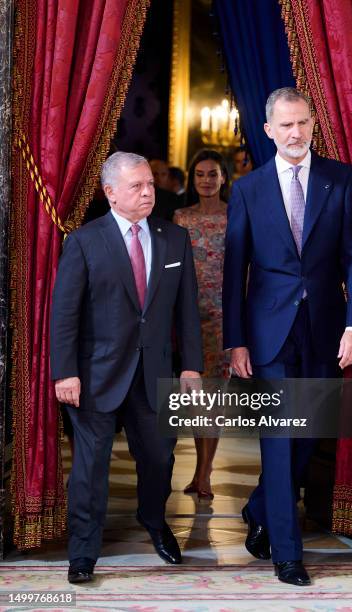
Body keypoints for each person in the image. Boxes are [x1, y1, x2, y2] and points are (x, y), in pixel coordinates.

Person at [222, 88, 352, 586]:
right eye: (285, 125)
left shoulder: (342, 180)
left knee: (306, 438)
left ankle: (261, 508)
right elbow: (234, 270)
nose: (295, 133)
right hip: (268, 335)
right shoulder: (248, 189)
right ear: (268, 130)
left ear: (313, 125)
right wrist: (235, 340)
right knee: (280, 437)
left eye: (303, 123)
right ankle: (289, 555)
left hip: (327, 331)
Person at [50, 152, 203, 584]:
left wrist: (191, 367)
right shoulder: (83, 241)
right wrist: (65, 372)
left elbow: (187, 311)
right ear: (110, 192)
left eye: (150, 184)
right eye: (136, 186)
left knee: (159, 457)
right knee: (90, 468)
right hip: (95, 376)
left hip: (154, 375)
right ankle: (83, 553)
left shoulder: (175, 240)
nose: (147, 192)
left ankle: (154, 521)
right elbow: (64, 314)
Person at [174, 149, 229, 500]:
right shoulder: (180, 217)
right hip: (190, 316)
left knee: (215, 397)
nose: (206, 180)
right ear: (193, 180)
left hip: (225, 316)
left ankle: (205, 473)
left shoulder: (237, 215)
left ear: (224, 178)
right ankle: (199, 468)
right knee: (197, 397)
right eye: (200, 174)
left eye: (213, 174)